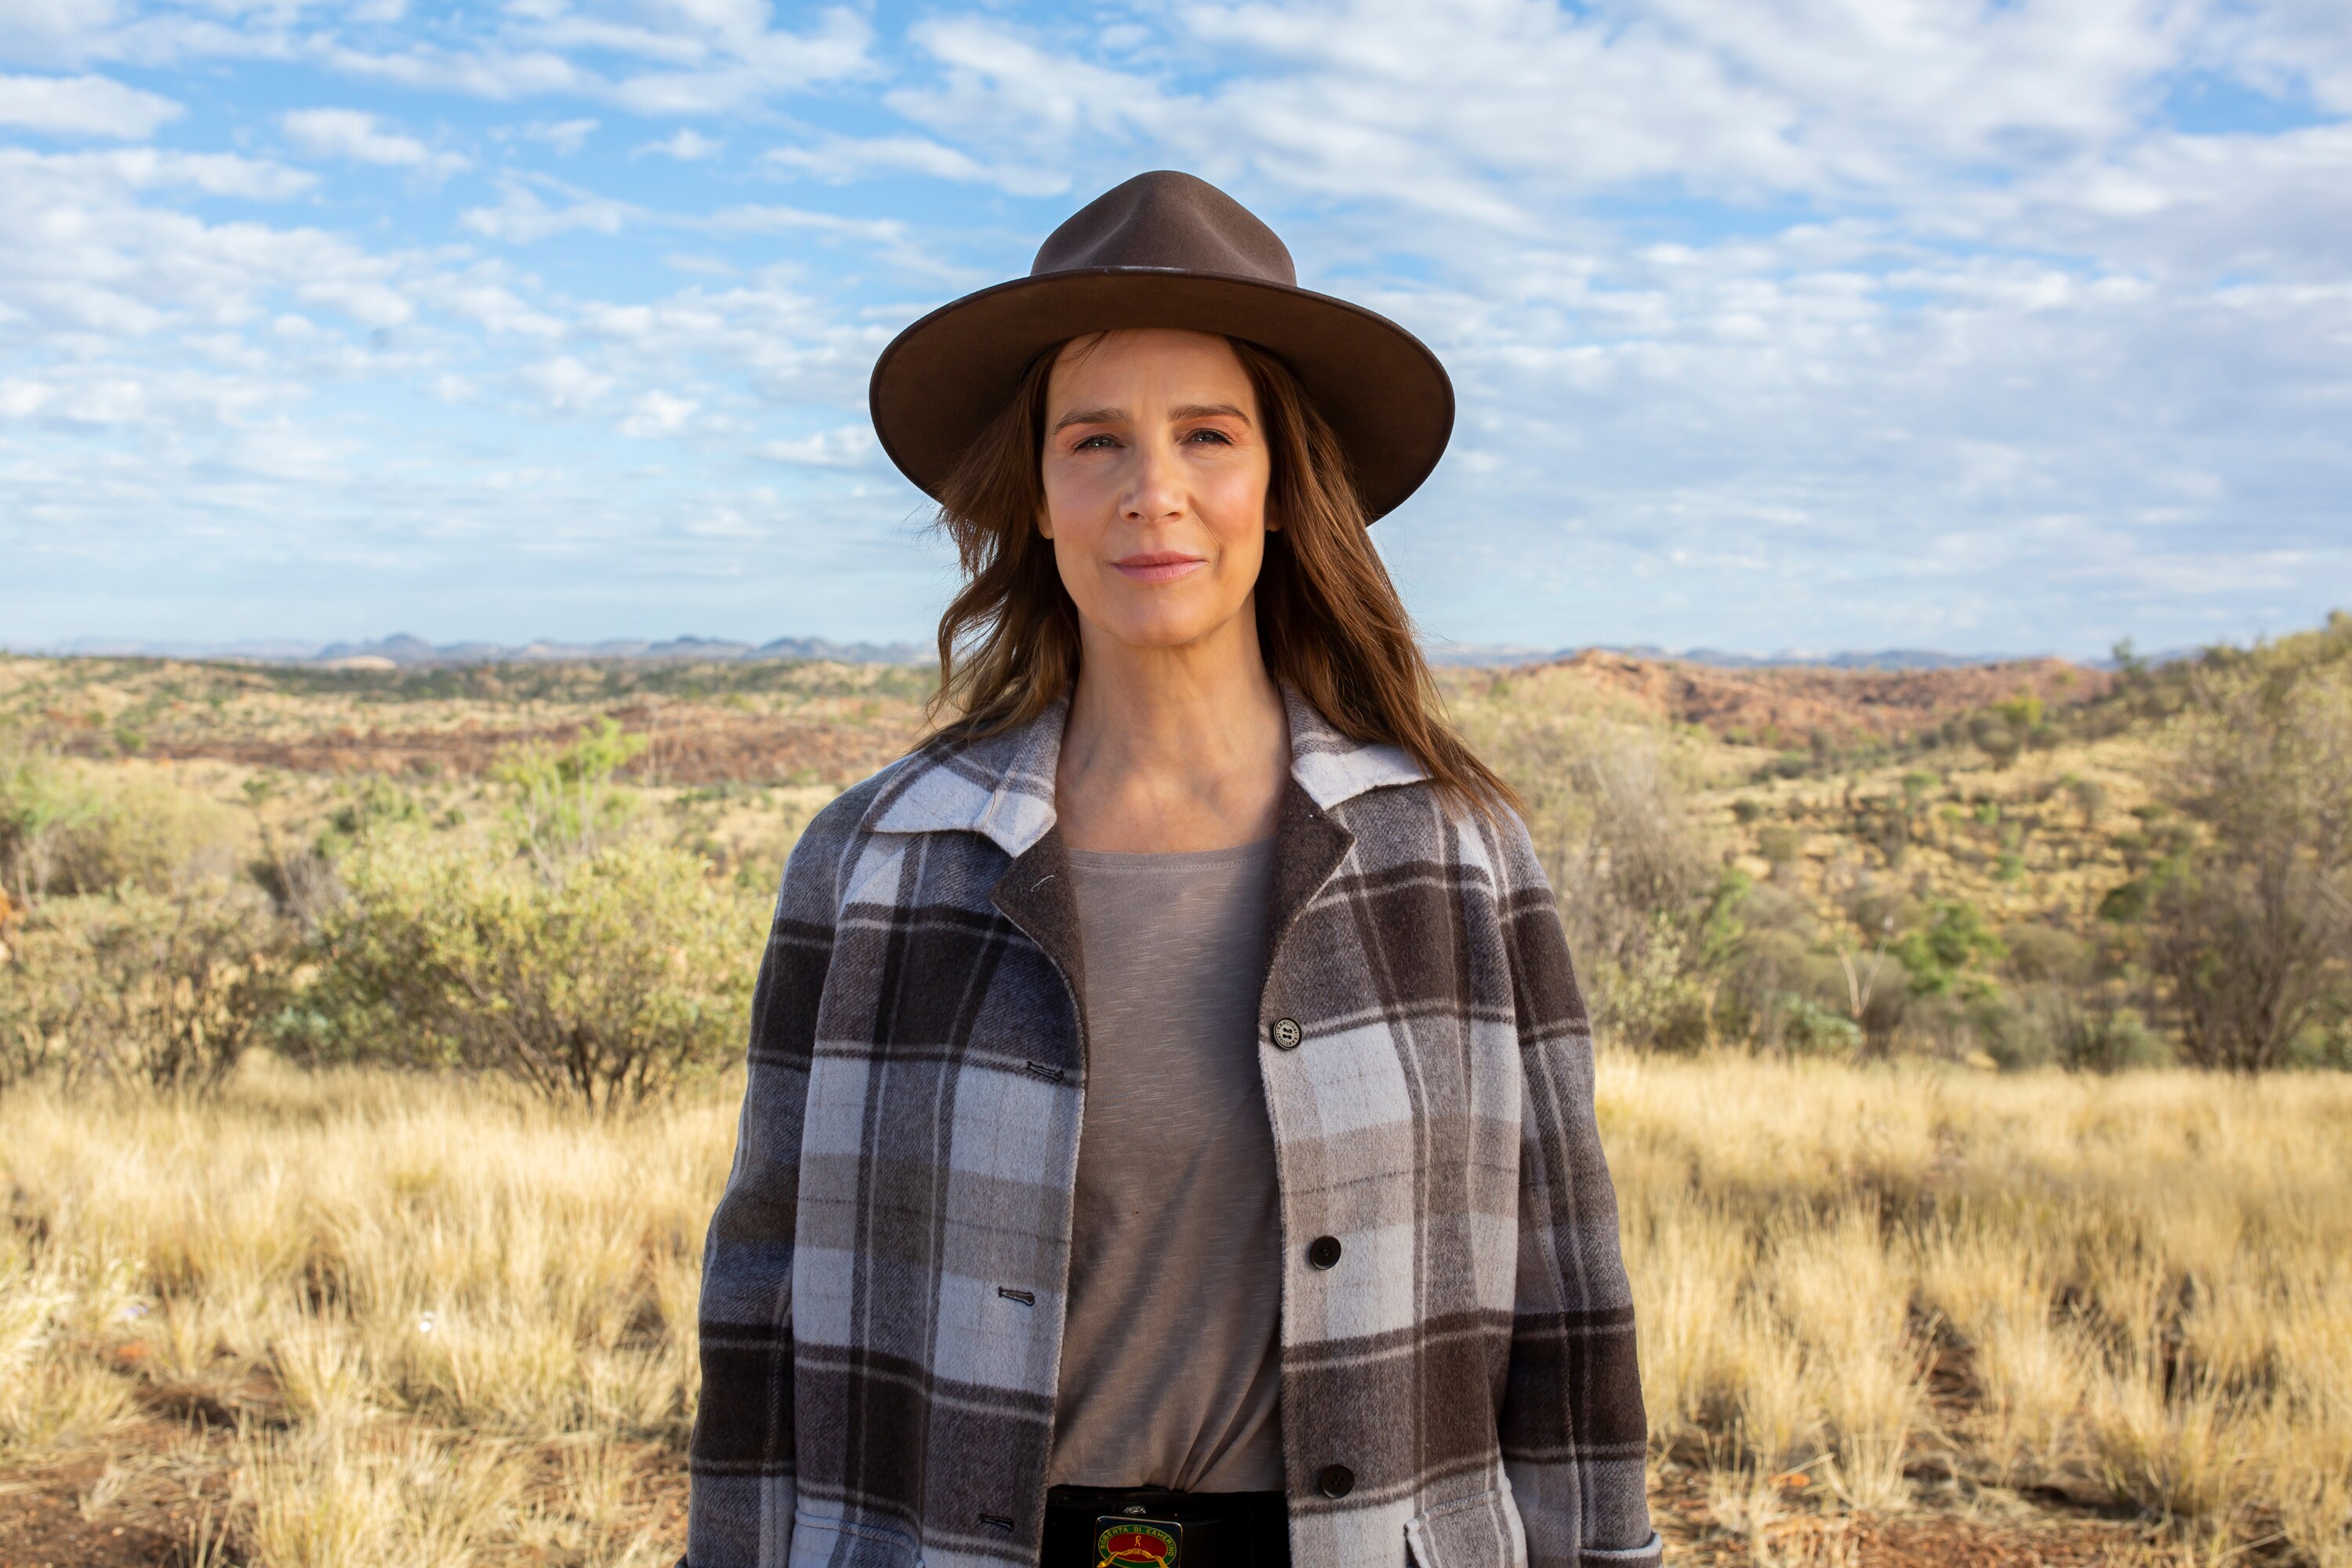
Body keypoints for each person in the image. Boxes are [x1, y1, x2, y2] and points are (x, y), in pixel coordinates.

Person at [685, 171, 1660, 1568]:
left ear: (1280, 483)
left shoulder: (1451, 856)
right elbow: (763, 1297)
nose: (1154, 493)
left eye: (1208, 435)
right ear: (1036, 496)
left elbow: (1567, 1295)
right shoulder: (879, 861)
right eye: (1095, 442)